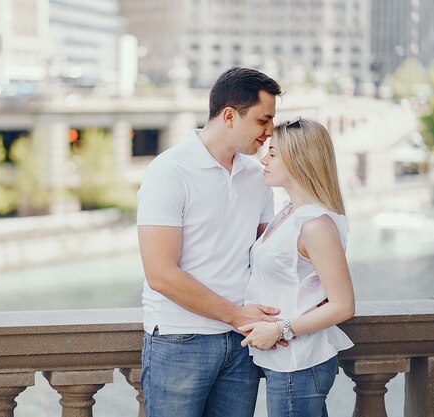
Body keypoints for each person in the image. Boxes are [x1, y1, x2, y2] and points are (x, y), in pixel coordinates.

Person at [136, 67, 282, 417]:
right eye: (263, 120)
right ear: (230, 116)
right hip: (180, 338)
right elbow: (160, 274)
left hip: (243, 339)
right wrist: (237, 316)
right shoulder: (169, 171)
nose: (269, 132)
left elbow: (266, 255)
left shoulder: (257, 176)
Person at [240, 117, 355, 417]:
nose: (264, 159)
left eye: (274, 153)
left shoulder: (316, 225)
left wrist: (280, 330)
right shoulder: (288, 213)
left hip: (299, 363)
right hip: (285, 362)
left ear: (299, 159)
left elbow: (343, 306)